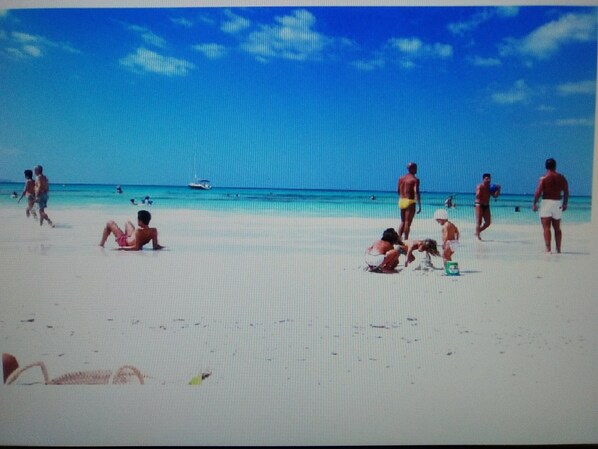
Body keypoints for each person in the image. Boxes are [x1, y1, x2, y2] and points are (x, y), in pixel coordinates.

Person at [532, 158, 569, 254]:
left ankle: (548, 249)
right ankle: (558, 249)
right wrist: (565, 203)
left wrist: (534, 203)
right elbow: (566, 191)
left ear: (546, 166)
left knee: (546, 227)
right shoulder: (561, 177)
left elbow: (538, 192)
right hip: (557, 203)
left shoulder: (543, 178)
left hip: (546, 203)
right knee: (557, 228)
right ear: (555, 166)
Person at [99, 209, 164, 251]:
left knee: (109, 223)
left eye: (138, 219)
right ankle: (126, 236)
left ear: (140, 221)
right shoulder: (154, 230)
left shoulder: (139, 231)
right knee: (128, 222)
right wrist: (164, 248)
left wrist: (121, 248)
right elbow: (155, 246)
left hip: (125, 242)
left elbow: (136, 247)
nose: (137, 220)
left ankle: (101, 244)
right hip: (131, 237)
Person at [397, 162, 421, 240]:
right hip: (410, 201)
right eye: (415, 168)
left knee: (403, 222)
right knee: (408, 223)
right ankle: (406, 240)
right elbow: (416, 192)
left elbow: (398, 191)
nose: (417, 169)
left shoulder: (401, 178)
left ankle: (398, 239)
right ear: (412, 169)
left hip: (401, 200)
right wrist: (419, 205)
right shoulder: (415, 179)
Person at [474, 173, 500, 240]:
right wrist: (479, 192)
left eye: (489, 179)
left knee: (488, 223)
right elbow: (477, 195)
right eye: (486, 179)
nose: (488, 180)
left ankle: (478, 231)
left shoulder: (490, 187)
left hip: (486, 205)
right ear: (483, 179)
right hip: (479, 205)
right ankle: (478, 236)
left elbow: (495, 196)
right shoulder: (480, 186)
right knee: (479, 222)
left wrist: (498, 189)